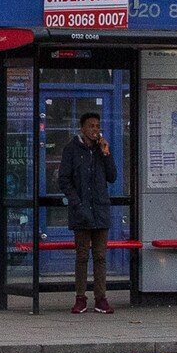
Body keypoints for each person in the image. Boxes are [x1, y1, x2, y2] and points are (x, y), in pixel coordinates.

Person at [59, 111, 118, 314]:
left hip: (100, 210)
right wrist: (76, 203)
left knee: (100, 256)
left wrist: (106, 154)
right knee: (82, 256)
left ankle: (101, 298)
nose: (95, 130)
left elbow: (112, 177)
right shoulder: (71, 149)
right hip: (81, 212)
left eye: (97, 126)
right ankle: (80, 297)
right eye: (91, 126)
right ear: (82, 128)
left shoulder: (102, 150)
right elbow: (63, 180)